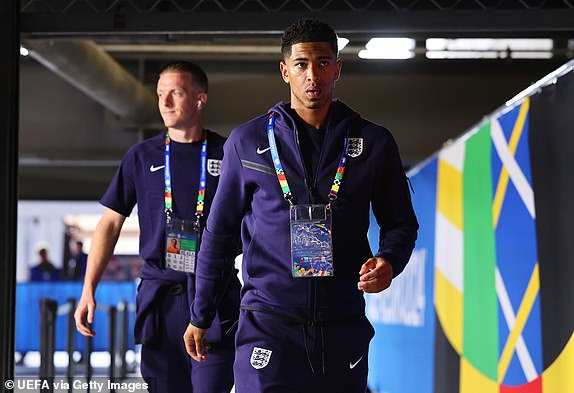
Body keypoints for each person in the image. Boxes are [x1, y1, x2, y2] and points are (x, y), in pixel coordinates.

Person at [184, 18, 419, 393]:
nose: (314, 75)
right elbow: (219, 233)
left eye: (324, 63)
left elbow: (401, 223)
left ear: (338, 69)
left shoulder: (373, 142)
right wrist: (201, 314)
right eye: (302, 64)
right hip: (268, 321)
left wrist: (389, 260)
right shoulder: (247, 142)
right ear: (285, 71)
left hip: (342, 323)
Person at [74, 61, 241, 392]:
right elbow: (109, 223)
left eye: (175, 93)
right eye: (160, 94)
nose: (164, 102)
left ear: (199, 100)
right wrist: (88, 288)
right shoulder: (141, 155)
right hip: (160, 298)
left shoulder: (229, 153)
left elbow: (258, 221)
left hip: (215, 295)